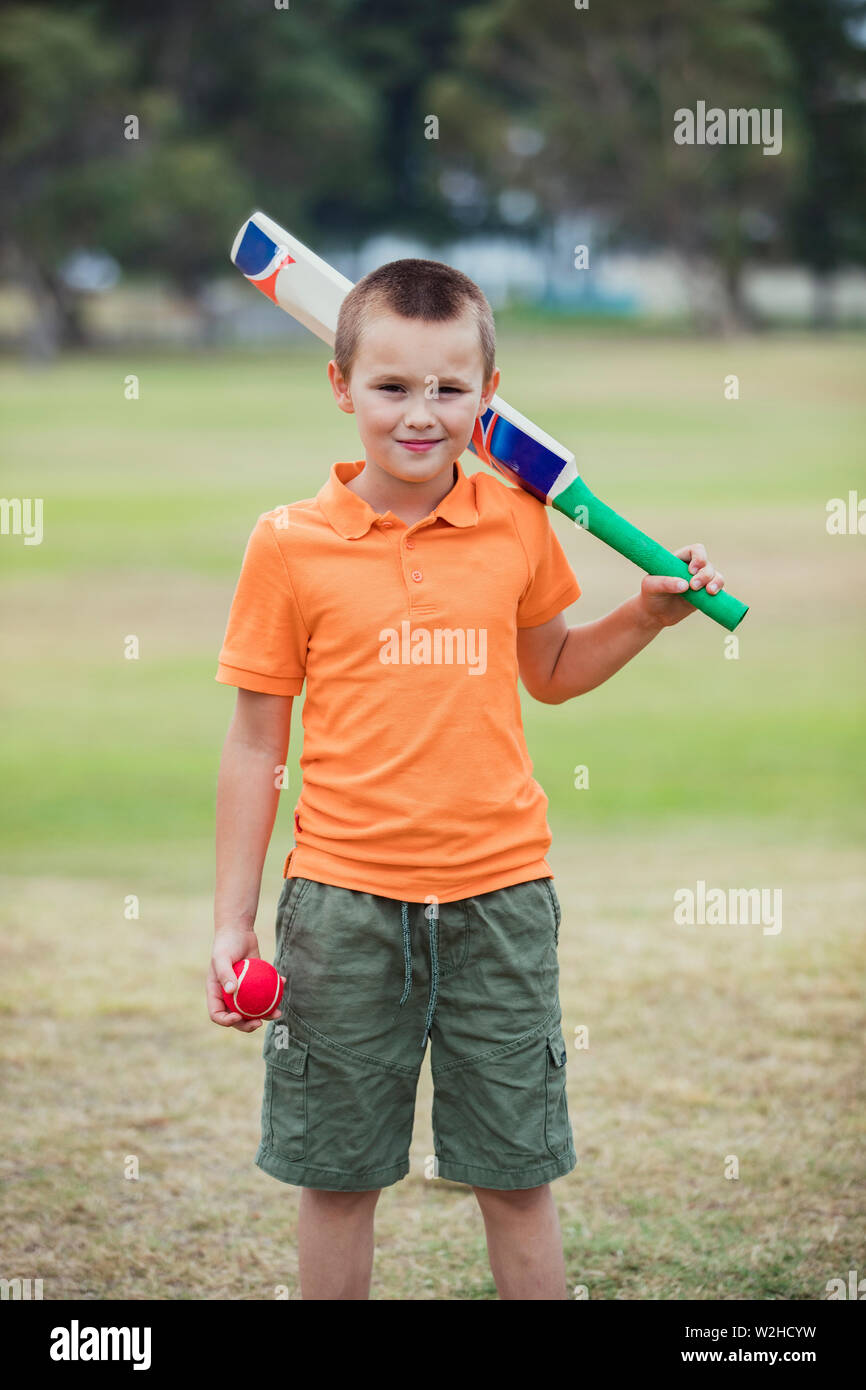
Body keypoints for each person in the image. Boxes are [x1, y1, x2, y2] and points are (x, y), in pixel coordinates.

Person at [207, 258, 726, 1300]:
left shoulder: (514, 522)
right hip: (343, 906)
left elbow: (550, 672)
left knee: (515, 1173)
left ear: (488, 397)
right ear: (341, 386)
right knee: (338, 1175)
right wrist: (233, 924)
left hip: (501, 900)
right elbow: (256, 742)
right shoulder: (288, 544)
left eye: (449, 390)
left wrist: (642, 614)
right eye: (392, 387)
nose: (420, 413)